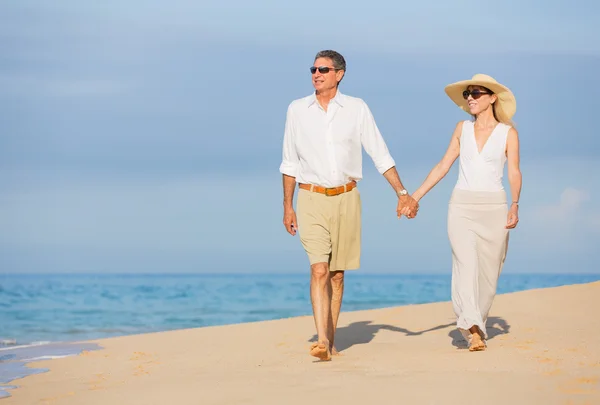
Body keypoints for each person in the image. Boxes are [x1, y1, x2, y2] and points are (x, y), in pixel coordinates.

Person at [279, 50, 418, 361]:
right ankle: (323, 341)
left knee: (337, 274)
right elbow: (289, 162)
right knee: (318, 269)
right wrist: (288, 206)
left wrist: (402, 193)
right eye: (313, 69)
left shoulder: (356, 109)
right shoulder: (297, 110)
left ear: (339, 74)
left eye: (324, 69)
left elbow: (380, 154)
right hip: (310, 196)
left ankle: (330, 337)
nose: (316, 74)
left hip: (347, 197)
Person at [406, 73, 522, 351]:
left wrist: (515, 205)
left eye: (476, 93)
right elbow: (444, 165)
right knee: (465, 266)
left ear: (492, 98)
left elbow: (515, 171)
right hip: (461, 207)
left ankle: (477, 321)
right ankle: (472, 328)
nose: (470, 97)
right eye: (467, 93)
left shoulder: (508, 133)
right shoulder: (462, 129)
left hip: (494, 207)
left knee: (489, 273)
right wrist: (414, 197)